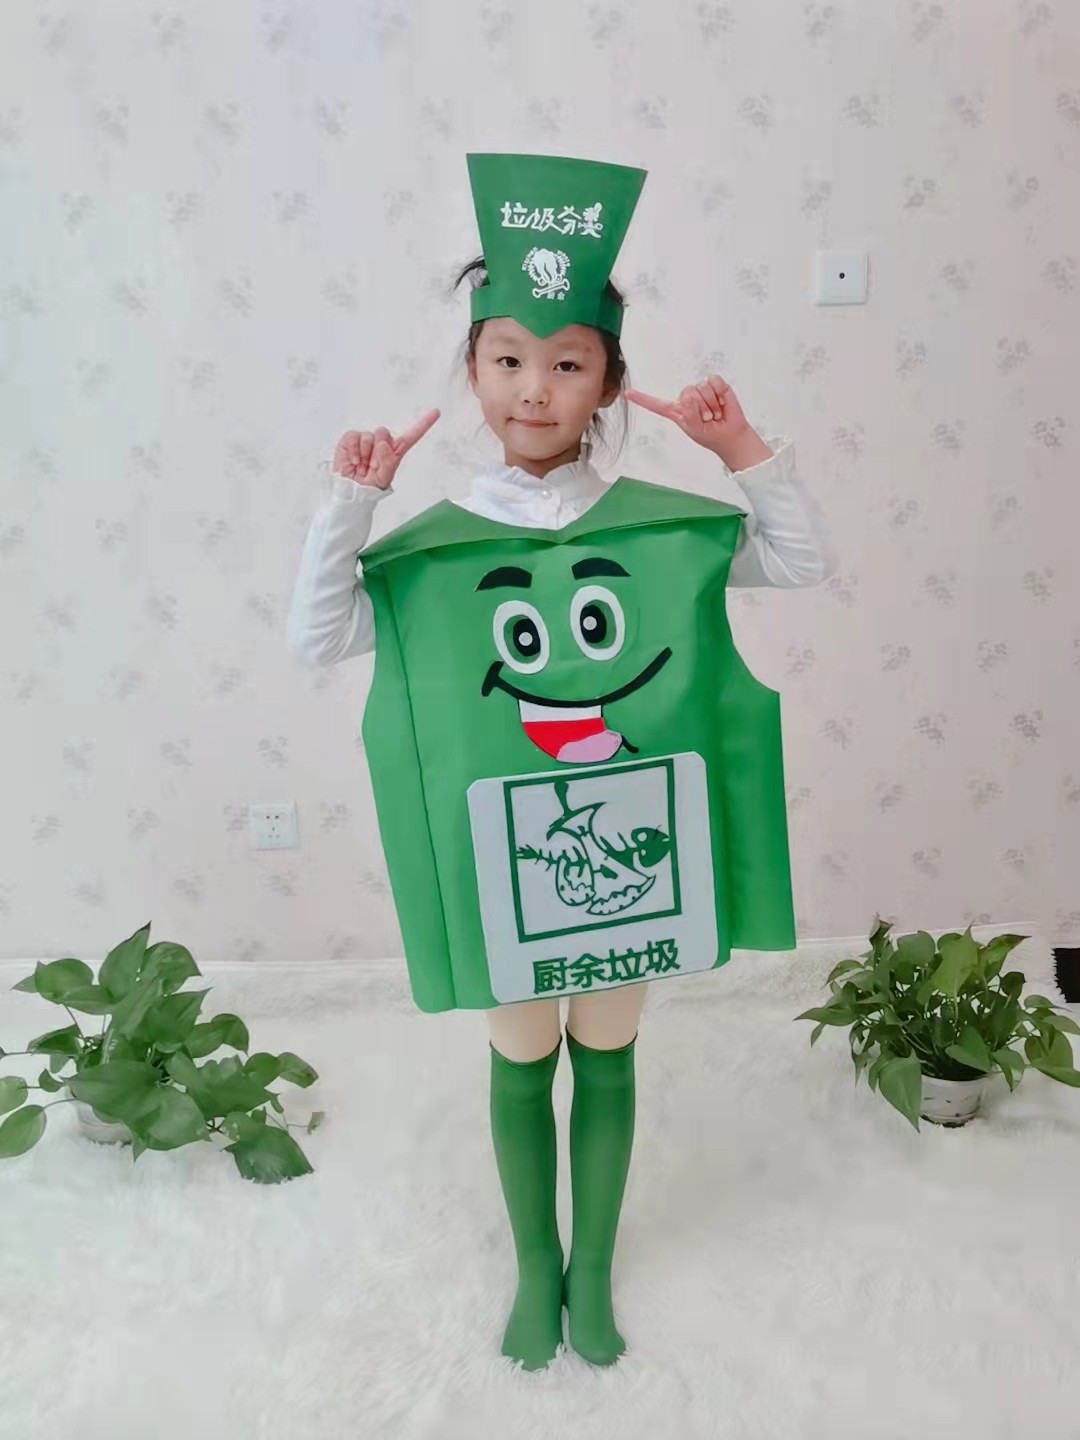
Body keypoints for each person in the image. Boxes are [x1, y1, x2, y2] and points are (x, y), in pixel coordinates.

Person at [287, 152, 834, 1372]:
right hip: (505, 865)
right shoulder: (429, 555)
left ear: (611, 384)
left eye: (568, 363)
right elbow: (317, 637)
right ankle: (539, 1264)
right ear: (474, 371)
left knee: (611, 1049)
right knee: (524, 1052)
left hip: (634, 858)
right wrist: (348, 508)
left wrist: (742, 448)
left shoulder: (665, 532)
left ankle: (595, 1269)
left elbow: (798, 561)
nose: (535, 389)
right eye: (508, 360)